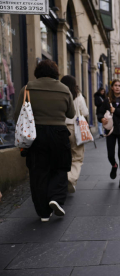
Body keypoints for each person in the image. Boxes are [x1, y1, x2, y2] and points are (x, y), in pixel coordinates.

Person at [14, 60, 75, 222]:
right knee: (60, 167)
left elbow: (17, 115)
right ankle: (56, 197)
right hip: (59, 133)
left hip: (36, 135)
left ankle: (43, 212)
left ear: (37, 72)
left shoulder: (27, 88)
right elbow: (71, 113)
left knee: (38, 172)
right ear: (55, 72)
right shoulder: (64, 89)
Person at [98, 79, 120, 189]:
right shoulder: (107, 100)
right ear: (112, 87)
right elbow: (99, 113)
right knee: (110, 154)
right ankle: (114, 165)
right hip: (111, 130)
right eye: (115, 85)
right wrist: (101, 119)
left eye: (119, 85)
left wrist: (116, 110)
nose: (117, 87)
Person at [62, 75, 88, 194]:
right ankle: (70, 178)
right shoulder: (78, 96)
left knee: (63, 156)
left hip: (60, 128)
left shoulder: (60, 94)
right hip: (74, 129)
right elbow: (85, 112)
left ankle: (63, 181)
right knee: (77, 157)